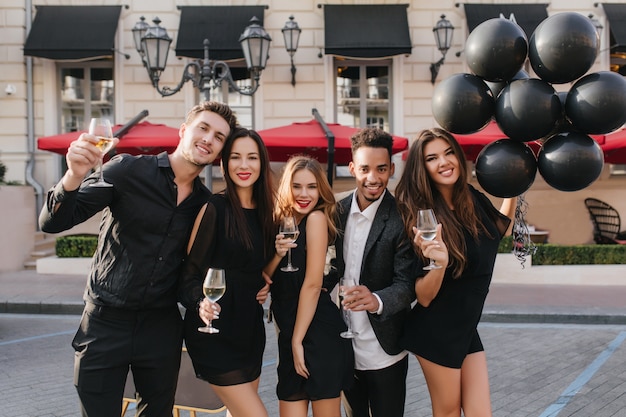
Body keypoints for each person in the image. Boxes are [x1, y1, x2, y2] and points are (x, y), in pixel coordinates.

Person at [38, 101, 238, 417]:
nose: (208, 139)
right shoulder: (126, 169)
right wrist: (74, 176)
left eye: (219, 137)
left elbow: (188, 275)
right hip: (105, 322)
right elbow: (53, 222)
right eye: (203, 128)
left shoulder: (205, 204)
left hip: (160, 328)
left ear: (220, 151)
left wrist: (201, 300)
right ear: (184, 131)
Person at [395, 127, 516, 417]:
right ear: (421, 167)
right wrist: (439, 262)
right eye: (432, 158)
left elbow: (498, 230)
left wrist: (514, 188)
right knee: (448, 412)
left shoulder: (470, 198)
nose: (444, 162)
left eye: (449, 153)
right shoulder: (419, 216)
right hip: (436, 329)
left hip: (465, 326)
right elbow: (423, 297)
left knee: (480, 413)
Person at [178, 127, 275, 417]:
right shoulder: (214, 208)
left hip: (250, 332)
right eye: (235, 157)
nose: (244, 166)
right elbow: (188, 276)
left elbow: (259, 268)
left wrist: (266, 283)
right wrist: (200, 303)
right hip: (214, 333)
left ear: (262, 163)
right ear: (224, 164)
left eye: (252, 158)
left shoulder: (267, 213)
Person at [334, 127, 417, 417]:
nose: (373, 178)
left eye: (381, 169)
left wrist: (377, 300)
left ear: (391, 169)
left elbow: (406, 284)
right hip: (342, 347)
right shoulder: (335, 211)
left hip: (385, 349)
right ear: (352, 168)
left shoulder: (404, 217)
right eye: (365, 169)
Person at [264, 155, 353, 417]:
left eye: (312, 187)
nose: (305, 194)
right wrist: (278, 255)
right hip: (291, 332)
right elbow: (266, 279)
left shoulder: (316, 219)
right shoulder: (281, 223)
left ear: (321, 189)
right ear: (286, 188)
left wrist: (296, 341)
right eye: (297, 186)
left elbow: (313, 285)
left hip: (317, 332)